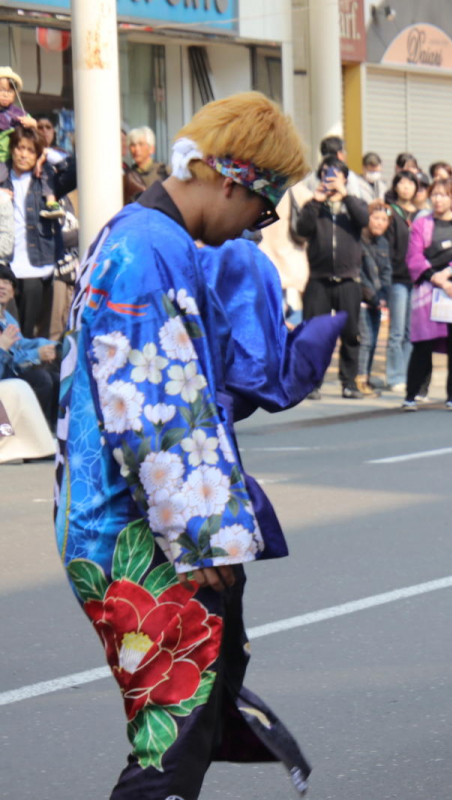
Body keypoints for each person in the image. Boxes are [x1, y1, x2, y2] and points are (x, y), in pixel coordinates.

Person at [54, 91, 342, 800]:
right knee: (173, 731)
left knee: (194, 715)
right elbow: (155, 408)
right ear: (233, 180)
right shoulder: (150, 249)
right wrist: (204, 536)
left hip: (124, 516)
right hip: (139, 530)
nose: (257, 225)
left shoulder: (139, 235)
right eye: (263, 208)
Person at [296, 155, 371, 399]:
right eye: (326, 174)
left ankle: (348, 383)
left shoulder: (355, 203)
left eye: (335, 174)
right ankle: (311, 383)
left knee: (350, 333)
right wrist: (316, 201)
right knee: (314, 333)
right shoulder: (313, 206)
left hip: (348, 280)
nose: (330, 179)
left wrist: (345, 194)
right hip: (319, 278)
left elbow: (364, 220)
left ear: (345, 178)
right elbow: (302, 229)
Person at [403, 177, 452, 410]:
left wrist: (449, 276)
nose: (438, 199)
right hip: (427, 291)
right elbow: (414, 256)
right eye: (435, 194)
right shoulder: (421, 223)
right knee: (422, 345)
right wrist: (435, 277)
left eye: (444, 195)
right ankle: (411, 394)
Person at [2, 124, 75, 338]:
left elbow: (74, 171)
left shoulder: (46, 179)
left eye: (30, 150)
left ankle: (26, 371)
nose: (23, 154)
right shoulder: (3, 176)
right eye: (20, 148)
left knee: (28, 333)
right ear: (12, 149)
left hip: (37, 267)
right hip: (6, 265)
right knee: (6, 332)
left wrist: (47, 153)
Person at [0, 263, 57, 424]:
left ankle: (50, 431)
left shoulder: (8, 319)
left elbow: (21, 345)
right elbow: (11, 363)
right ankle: (28, 430)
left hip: (8, 376)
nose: (2, 286)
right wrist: (36, 355)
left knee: (57, 378)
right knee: (41, 378)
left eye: (7, 282)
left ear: (13, 292)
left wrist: (50, 345)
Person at [383, 171, 418, 392]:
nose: (406, 187)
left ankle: (407, 373)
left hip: (416, 279)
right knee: (396, 331)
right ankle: (395, 376)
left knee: (410, 331)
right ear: (396, 186)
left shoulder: (422, 214)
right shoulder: (390, 212)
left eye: (410, 183)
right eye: (402, 183)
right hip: (397, 278)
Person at [356, 202, 392, 393]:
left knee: (374, 340)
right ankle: (359, 379)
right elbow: (359, 273)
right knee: (366, 339)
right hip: (362, 299)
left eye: (384, 220)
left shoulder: (384, 243)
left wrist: (383, 296)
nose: (379, 223)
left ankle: (367, 377)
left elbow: (387, 272)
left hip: (378, 301)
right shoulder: (358, 240)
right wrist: (373, 296)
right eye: (376, 218)